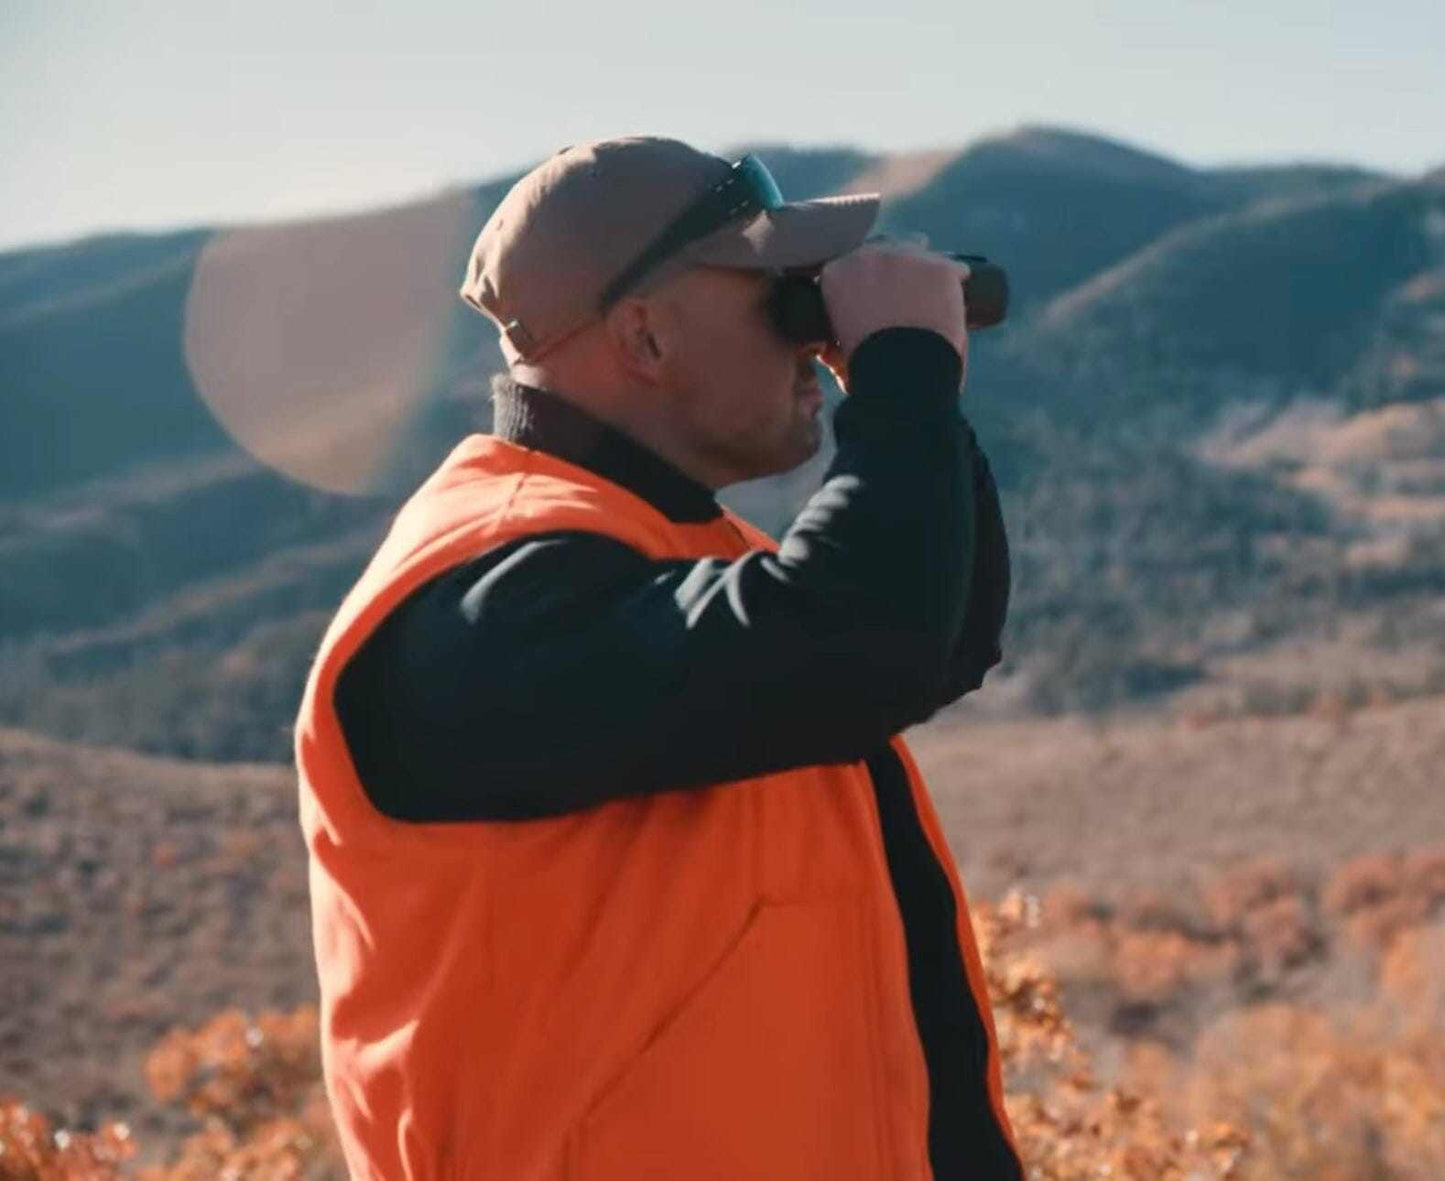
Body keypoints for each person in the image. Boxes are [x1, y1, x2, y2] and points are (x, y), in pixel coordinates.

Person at [295, 134, 1023, 1180]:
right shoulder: (478, 604)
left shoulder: (669, 553)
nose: (808, 331)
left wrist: (918, 390)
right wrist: (899, 377)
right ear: (642, 333)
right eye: (781, 294)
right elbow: (859, 637)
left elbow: (935, 636)